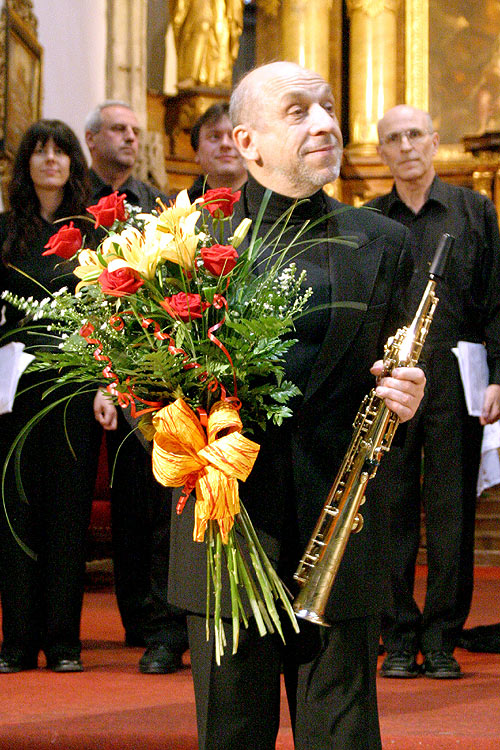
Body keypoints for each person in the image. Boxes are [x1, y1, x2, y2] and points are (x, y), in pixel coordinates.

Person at [167, 61, 426, 750]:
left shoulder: (386, 242)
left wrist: (408, 397)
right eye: (299, 110)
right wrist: (192, 454)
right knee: (232, 735)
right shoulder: (189, 247)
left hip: (340, 537)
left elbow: (400, 386)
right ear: (246, 143)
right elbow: (147, 393)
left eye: (330, 107)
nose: (325, 122)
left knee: (342, 736)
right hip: (226, 535)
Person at [368, 105, 500, 679]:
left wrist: (498, 375)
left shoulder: (475, 210)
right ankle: (397, 636)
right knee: (390, 510)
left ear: (434, 140)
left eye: (415, 134)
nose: (406, 146)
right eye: (393, 138)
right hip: (391, 384)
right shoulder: (370, 218)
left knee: (451, 515)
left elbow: (496, 299)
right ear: (382, 152)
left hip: (456, 378)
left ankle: (442, 638)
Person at [85, 101, 188, 673]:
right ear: (92, 137)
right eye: (119, 129)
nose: (130, 137)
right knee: (122, 505)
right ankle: (131, 615)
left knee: (146, 501)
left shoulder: (156, 203)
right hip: (81, 372)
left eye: (134, 130)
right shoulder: (74, 204)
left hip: (146, 373)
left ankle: (152, 618)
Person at [0, 120, 101, 672]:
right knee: (14, 510)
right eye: (38, 152)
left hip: (74, 387)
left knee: (67, 514)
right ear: (26, 166)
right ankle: (16, 642)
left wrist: (109, 384)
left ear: (72, 164)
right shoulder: (4, 231)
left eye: (59, 151)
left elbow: (112, 316)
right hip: (11, 388)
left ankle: (63, 642)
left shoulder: (93, 237)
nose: (49, 160)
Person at [187, 102, 247, 201]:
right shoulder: (176, 211)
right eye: (214, 136)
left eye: (233, 135)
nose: (225, 144)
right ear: (196, 151)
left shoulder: (274, 208)